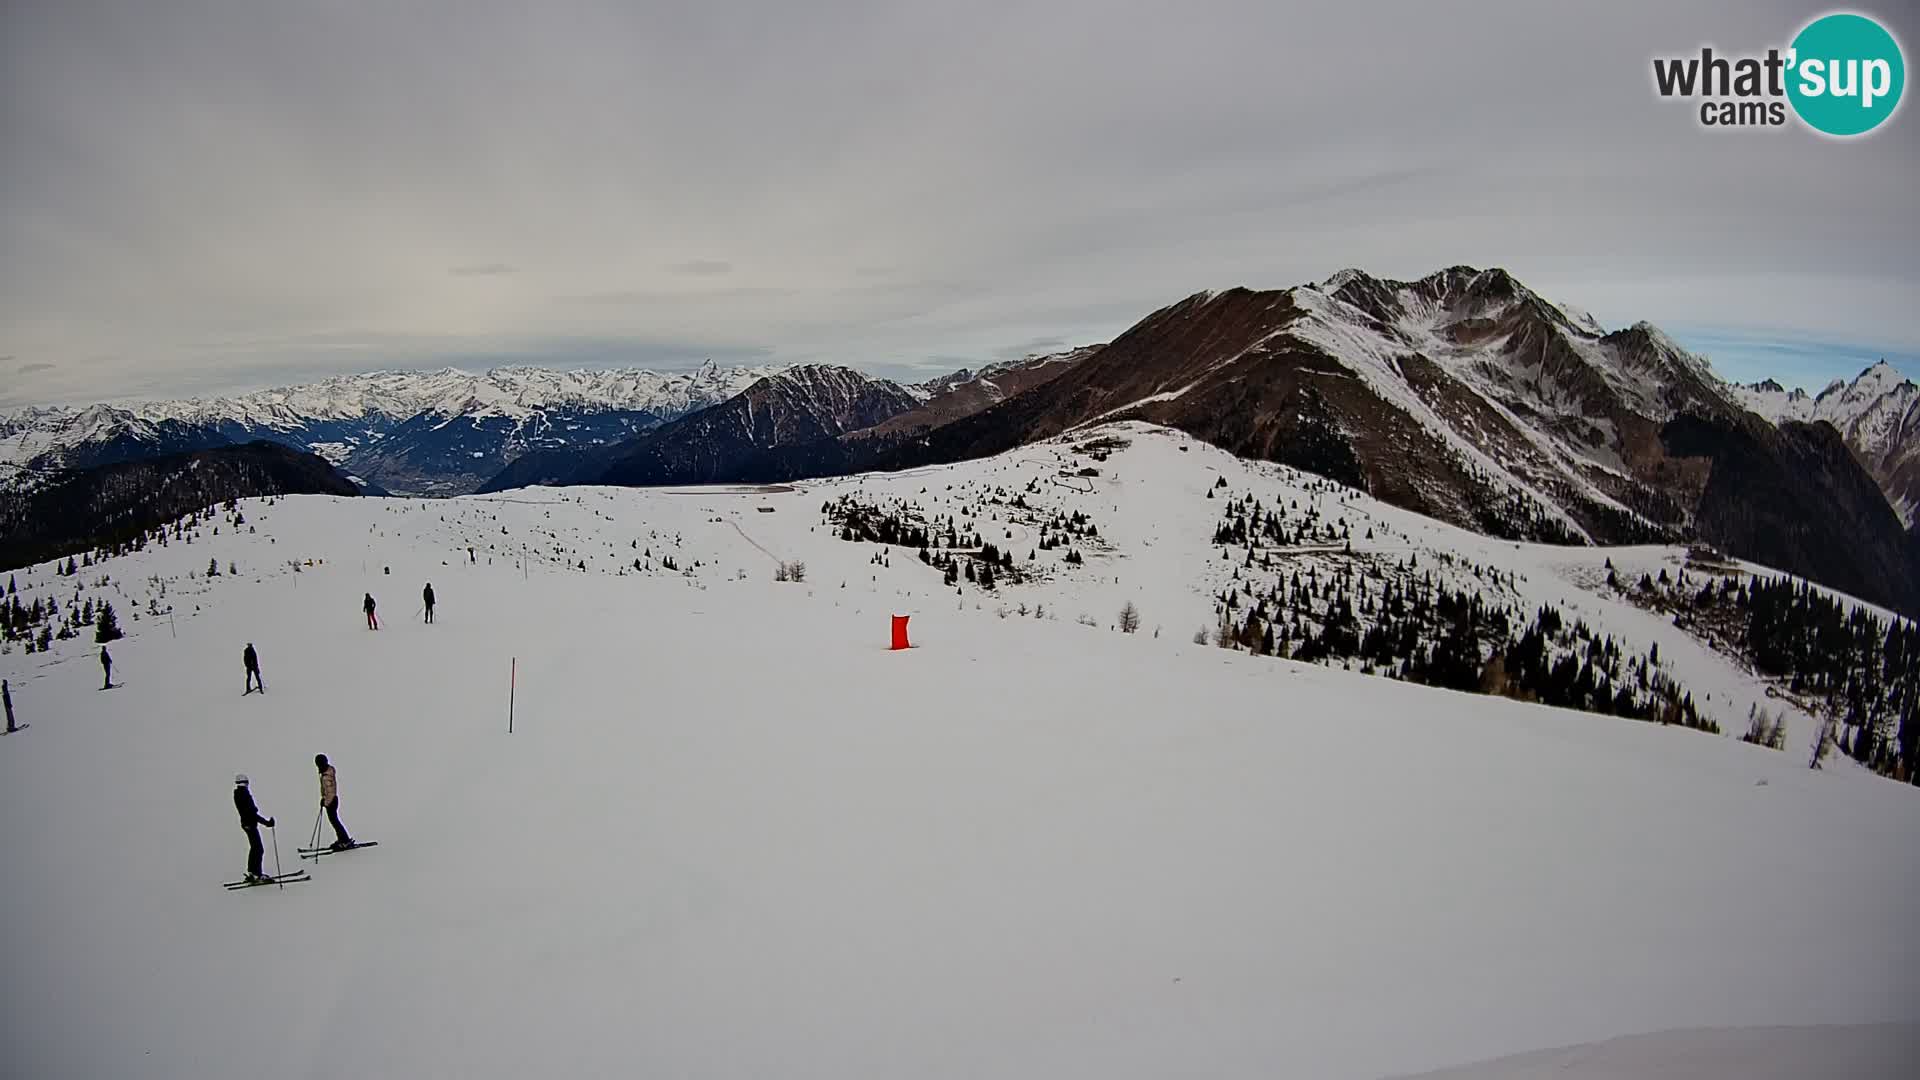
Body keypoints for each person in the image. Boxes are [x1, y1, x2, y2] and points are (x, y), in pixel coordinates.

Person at [233, 774, 275, 883]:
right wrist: (266, 822)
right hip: (250, 823)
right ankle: (257, 874)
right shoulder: (244, 794)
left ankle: (252, 872)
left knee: (255, 848)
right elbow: (252, 813)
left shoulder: (238, 794)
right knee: (258, 849)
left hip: (246, 823)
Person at [316, 754, 352, 849]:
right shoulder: (326, 773)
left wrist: (326, 802)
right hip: (332, 800)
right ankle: (342, 839)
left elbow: (330, 791)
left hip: (331, 801)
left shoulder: (326, 776)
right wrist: (324, 798)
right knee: (335, 821)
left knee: (335, 821)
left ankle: (345, 840)